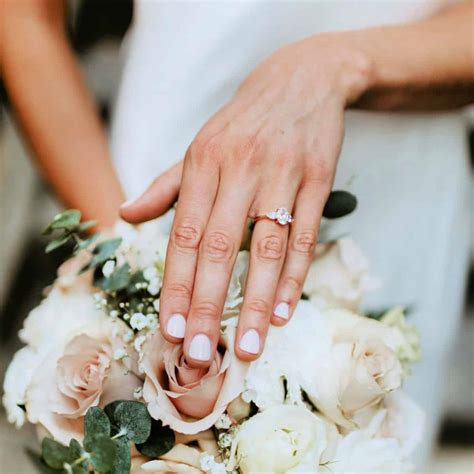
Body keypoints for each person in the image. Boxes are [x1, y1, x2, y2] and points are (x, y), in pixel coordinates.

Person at [2, 0, 473, 464]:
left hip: (396, 198)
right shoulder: (138, 246)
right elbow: (23, 16)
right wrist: (129, 259)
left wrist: (333, 67)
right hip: (166, 179)